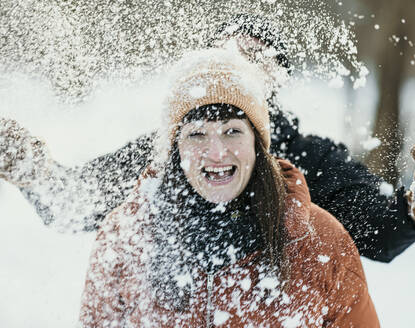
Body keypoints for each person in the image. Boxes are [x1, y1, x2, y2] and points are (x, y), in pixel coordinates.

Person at [0, 14, 415, 262]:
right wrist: (34, 171)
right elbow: (75, 203)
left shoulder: (309, 155)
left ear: (276, 79)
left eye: (258, 54)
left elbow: (378, 232)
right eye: (229, 49)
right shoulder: (169, 148)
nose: (241, 60)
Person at [78, 48, 379, 327]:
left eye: (232, 131)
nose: (217, 152)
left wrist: (414, 216)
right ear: (176, 149)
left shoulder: (320, 241)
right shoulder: (126, 238)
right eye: (196, 135)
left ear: (257, 144)